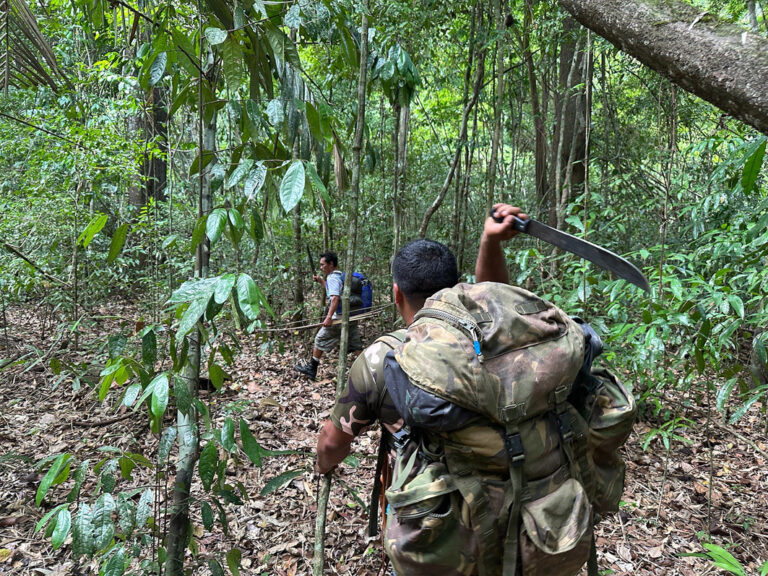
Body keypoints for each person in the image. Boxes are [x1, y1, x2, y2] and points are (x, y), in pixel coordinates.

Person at [315, 205, 527, 573]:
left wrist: (321, 464)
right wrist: (489, 241)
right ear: (459, 287)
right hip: (524, 519)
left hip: (439, 537)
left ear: (397, 294)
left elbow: (333, 445)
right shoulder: (499, 337)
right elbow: (497, 297)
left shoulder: (383, 358)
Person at [295, 251, 363, 381]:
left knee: (319, 339)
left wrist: (329, 317)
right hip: (350, 317)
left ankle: (312, 369)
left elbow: (335, 298)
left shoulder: (332, 277)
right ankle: (370, 370)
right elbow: (334, 291)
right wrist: (321, 281)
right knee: (355, 346)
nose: (321, 267)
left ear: (331, 264)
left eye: (322, 265)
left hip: (338, 318)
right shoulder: (341, 275)